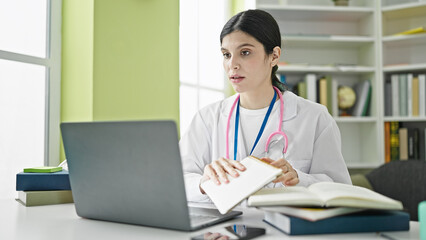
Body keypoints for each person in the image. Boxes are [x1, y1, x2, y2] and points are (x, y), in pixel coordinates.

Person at [180, 9, 351, 202]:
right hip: (224, 230)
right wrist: (204, 182)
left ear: (274, 56)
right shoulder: (207, 118)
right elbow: (177, 181)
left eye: (245, 53)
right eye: (226, 54)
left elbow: (341, 189)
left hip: (286, 228)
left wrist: (299, 178)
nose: (232, 64)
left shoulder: (315, 117)